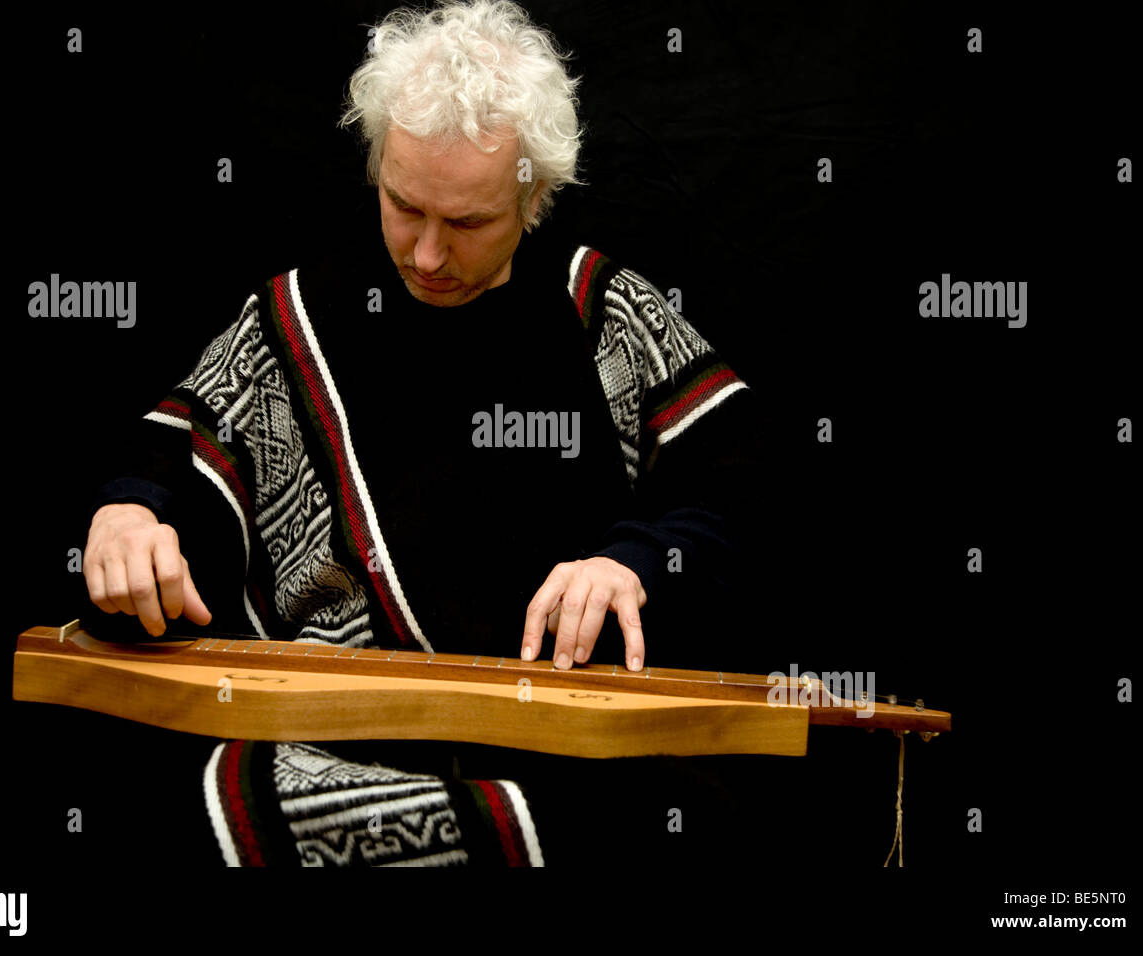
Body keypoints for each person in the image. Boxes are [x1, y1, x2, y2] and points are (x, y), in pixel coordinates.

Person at [82, 0, 756, 675]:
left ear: (534, 196)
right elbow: (163, 465)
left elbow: (741, 498)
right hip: (327, 718)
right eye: (404, 207)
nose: (427, 255)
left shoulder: (605, 313)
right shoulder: (293, 321)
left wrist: (631, 564)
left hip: (568, 722)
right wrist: (128, 515)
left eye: (469, 223)